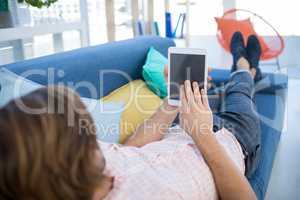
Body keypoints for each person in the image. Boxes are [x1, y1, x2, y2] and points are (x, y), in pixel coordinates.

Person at [0, 32, 261, 200]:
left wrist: (172, 102)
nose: (91, 132)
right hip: (233, 142)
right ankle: (243, 66)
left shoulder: (93, 157)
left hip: (187, 125)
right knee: (241, 91)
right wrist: (204, 137)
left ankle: (240, 68)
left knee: (208, 89)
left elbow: (130, 149)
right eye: (81, 132)